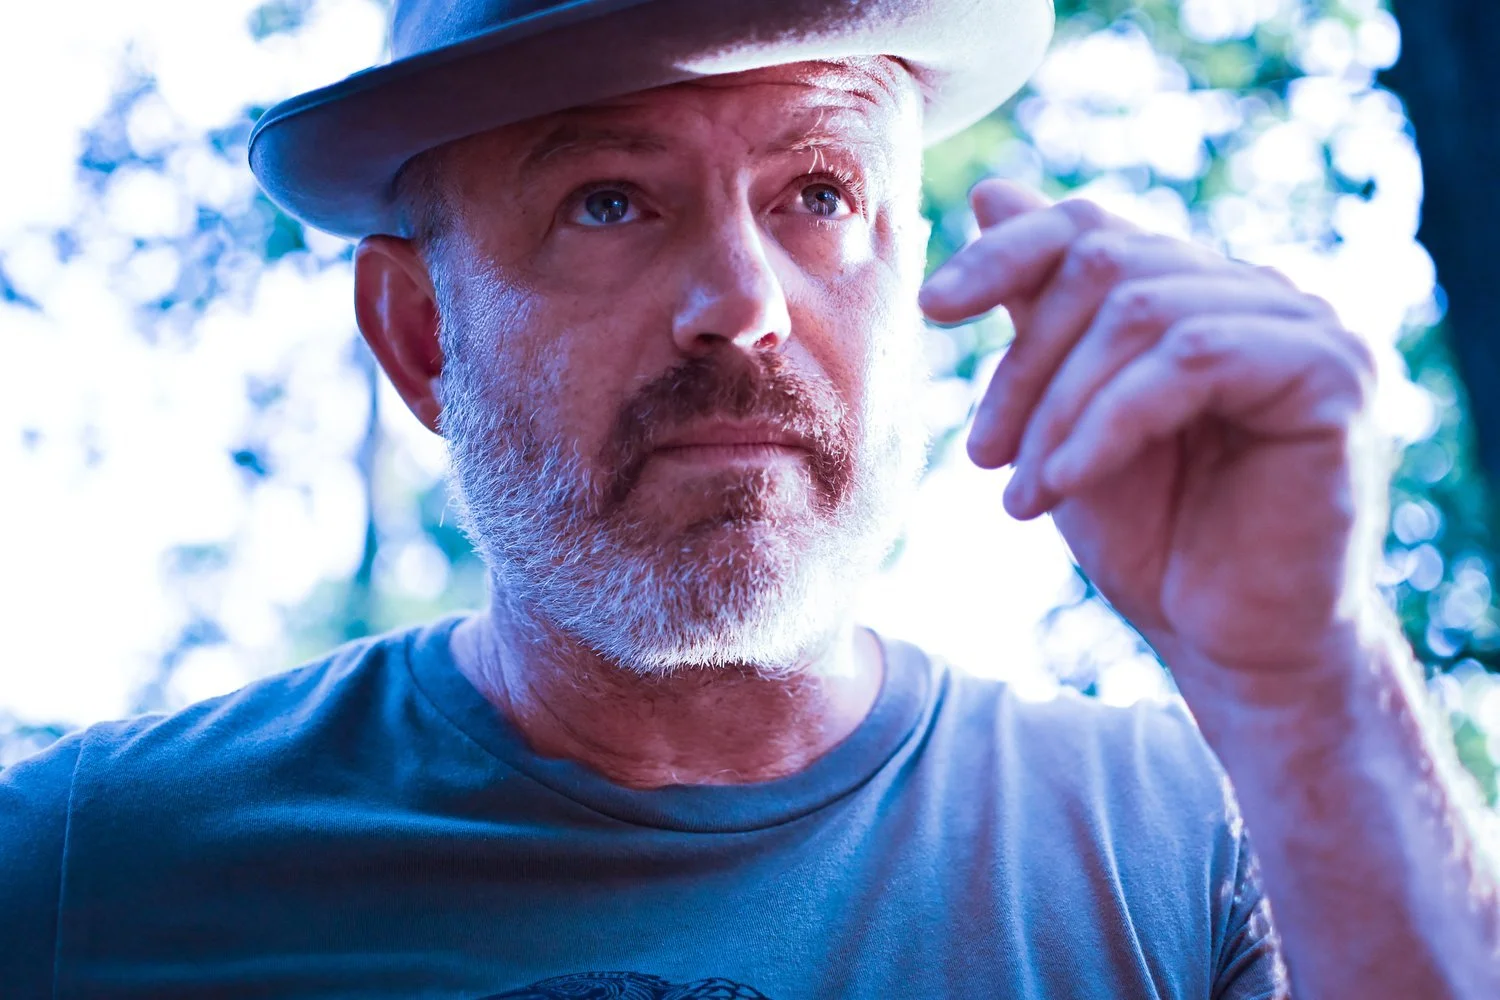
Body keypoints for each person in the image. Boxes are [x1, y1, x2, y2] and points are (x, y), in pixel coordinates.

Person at [2, 0, 1497, 996]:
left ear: (916, 273)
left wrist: (1315, 678)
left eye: (820, 194)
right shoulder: (86, 877)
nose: (743, 304)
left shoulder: (1191, 849)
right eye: (607, 202)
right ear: (420, 337)